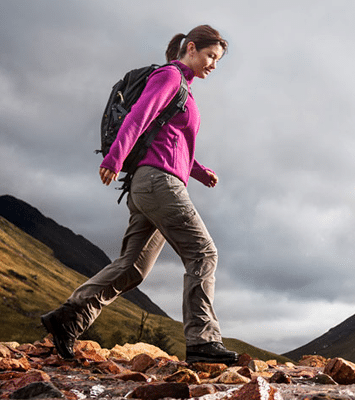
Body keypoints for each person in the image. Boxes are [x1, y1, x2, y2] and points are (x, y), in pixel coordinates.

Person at [41, 24, 238, 365]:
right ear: (191, 48)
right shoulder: (170, 77)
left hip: (154, 184)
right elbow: (139, 114)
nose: (213, 65)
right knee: (204, 254)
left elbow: (170, 143)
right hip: (158, 184)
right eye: (210, 57)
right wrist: (114, 157)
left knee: (132, 267)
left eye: (217, 60)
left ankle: (67, 317)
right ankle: (202, 341)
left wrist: (199, 171)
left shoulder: (184, 90)